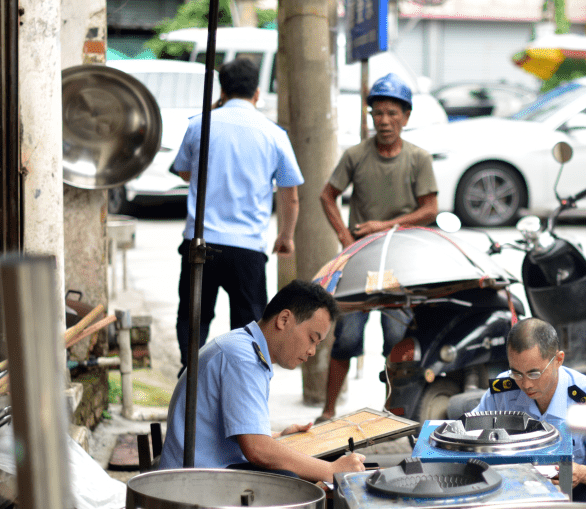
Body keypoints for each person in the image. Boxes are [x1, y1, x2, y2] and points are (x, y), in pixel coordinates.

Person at [159, 280, 367, 481]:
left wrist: (276, 436)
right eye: (312, 339)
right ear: (284, 319)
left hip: (204, 471)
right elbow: (257, 450)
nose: (312, 351)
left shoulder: (243, 347)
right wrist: (329, 470)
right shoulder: (243, 359)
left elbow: (243, 436)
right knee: (295, 481)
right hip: (196, 481)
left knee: (302, 467)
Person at [319, 73, 438, 422]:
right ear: (370, 117)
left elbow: (430, 210)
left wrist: (383, 227)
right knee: (345, 337)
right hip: (360, 260)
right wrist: (345, 237)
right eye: (378, 113)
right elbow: (327, 195)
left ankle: (391, 413)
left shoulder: (418, 158)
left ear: (406, 116)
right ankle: (328, 410)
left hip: (400, 262)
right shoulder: (356, 155)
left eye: (392, 113)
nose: (385, 121)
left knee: (397, 339)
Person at [172, 57, 304, 371]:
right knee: (251, 336)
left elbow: (183, 171)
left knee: (193, 322)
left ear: (223, 89)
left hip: (200, 244)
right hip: (247, 250)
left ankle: (192, 382)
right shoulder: (274, 134)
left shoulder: (198, 124)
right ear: (257, 93)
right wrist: (285, 236)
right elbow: (291, 195)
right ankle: (240, 389)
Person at [474, 318, 586, 505]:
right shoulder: (502, 394)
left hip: (578, 496)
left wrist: (583, 474)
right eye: (516, 373)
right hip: (518, 492)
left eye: (534, 373)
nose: (526, 384)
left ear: (558, 360)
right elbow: (468, 433)